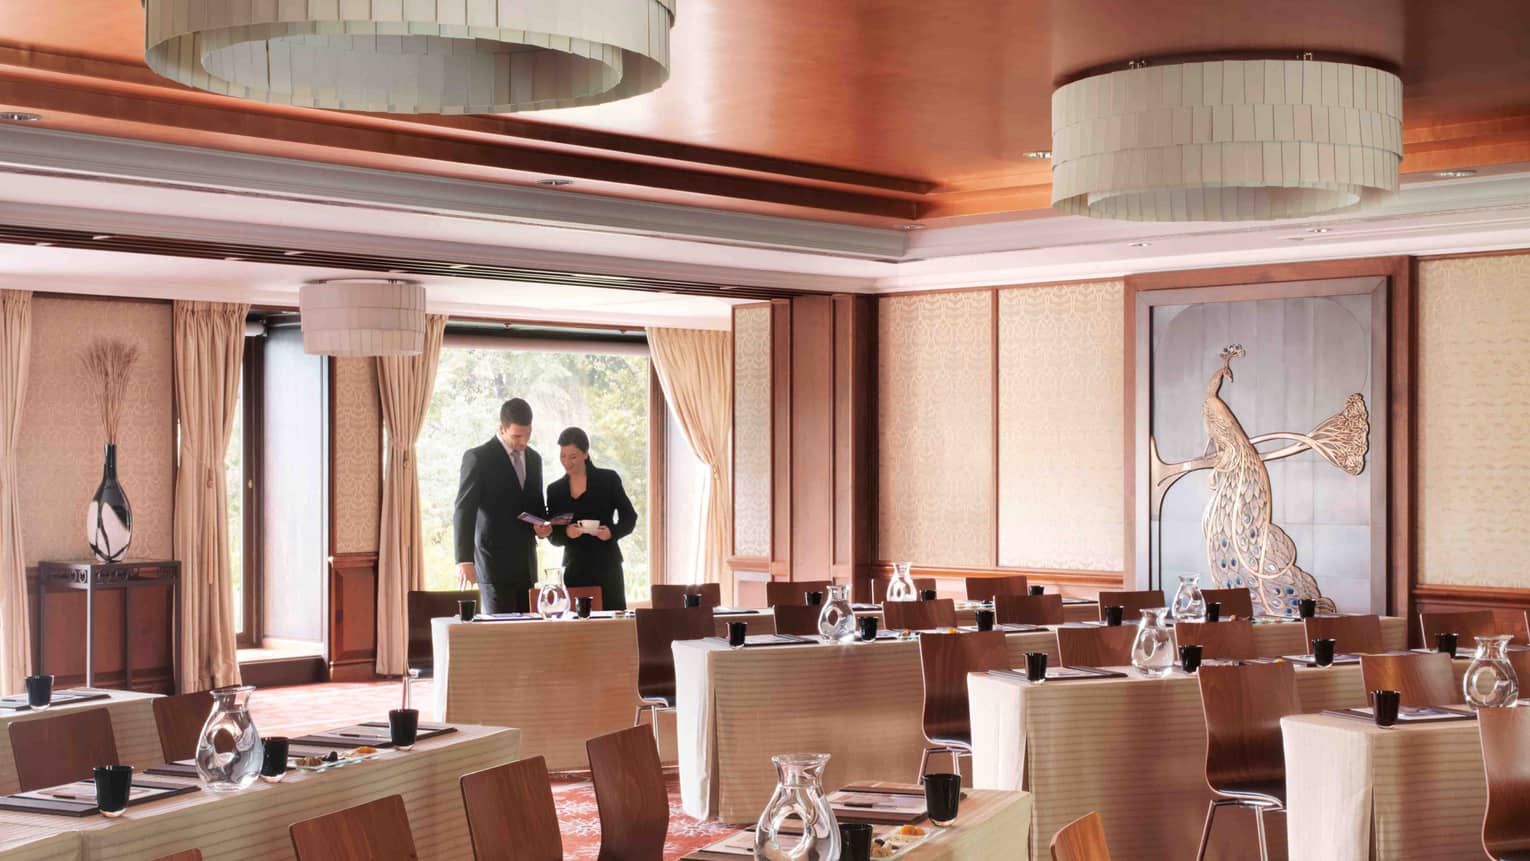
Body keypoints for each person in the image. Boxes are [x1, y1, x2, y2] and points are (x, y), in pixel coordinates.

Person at [453, 398, 552, 614]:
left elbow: (536, 505)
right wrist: (464, 560)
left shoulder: (534, 459)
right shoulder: (478, 458)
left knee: (528, 630)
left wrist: (543, 527)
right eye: (517, 436)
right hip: (493, 564)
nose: (523, 442)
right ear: (501, 429)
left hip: (525, 566)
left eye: (527, 434)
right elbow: (464, 510)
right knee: (500, 631)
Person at [546, 427, 638, 611]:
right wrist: (567, 533)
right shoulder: (555, 490)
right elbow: (553, 535)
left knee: (612, 621)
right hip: (574, 568)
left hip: (608, 566)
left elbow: (629, 517)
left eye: (573, 456)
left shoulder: (608, 480)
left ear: (586, 453)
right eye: (563, 456)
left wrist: (611, 533)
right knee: (577, 623)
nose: (567, 462)